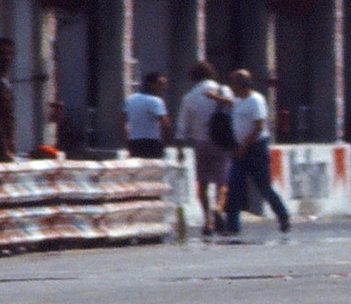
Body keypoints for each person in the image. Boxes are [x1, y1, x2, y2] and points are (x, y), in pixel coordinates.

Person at [224, 68, 290, 236]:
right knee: (234, 186)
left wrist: (244, 147)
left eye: (234, 84)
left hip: (255, 148)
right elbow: (230, 103)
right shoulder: (238, 101)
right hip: (240, 148)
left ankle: (283, 215)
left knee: (263, 186)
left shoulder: (256, 100)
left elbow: (258, 126)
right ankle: (232, 226)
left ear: (240, 84)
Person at [177, 61, 234, 235]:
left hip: (200, 143)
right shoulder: (224, 91)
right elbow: (234, 108)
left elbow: (182, 125)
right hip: (222, 142)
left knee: (202, 183)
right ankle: (218, 208)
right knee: (222, 181)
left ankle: (207, 221)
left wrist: (180, 148)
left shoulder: (189, 97)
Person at [122, 71, 172, 158]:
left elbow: (122, 122)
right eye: (160, 84)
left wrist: (127, 142)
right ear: (151, 84)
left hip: (134, 142)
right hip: (152, 143)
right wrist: (164, 144)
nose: (164, 87)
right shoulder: (156, 101)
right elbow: (165, 124)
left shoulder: (130, 99)